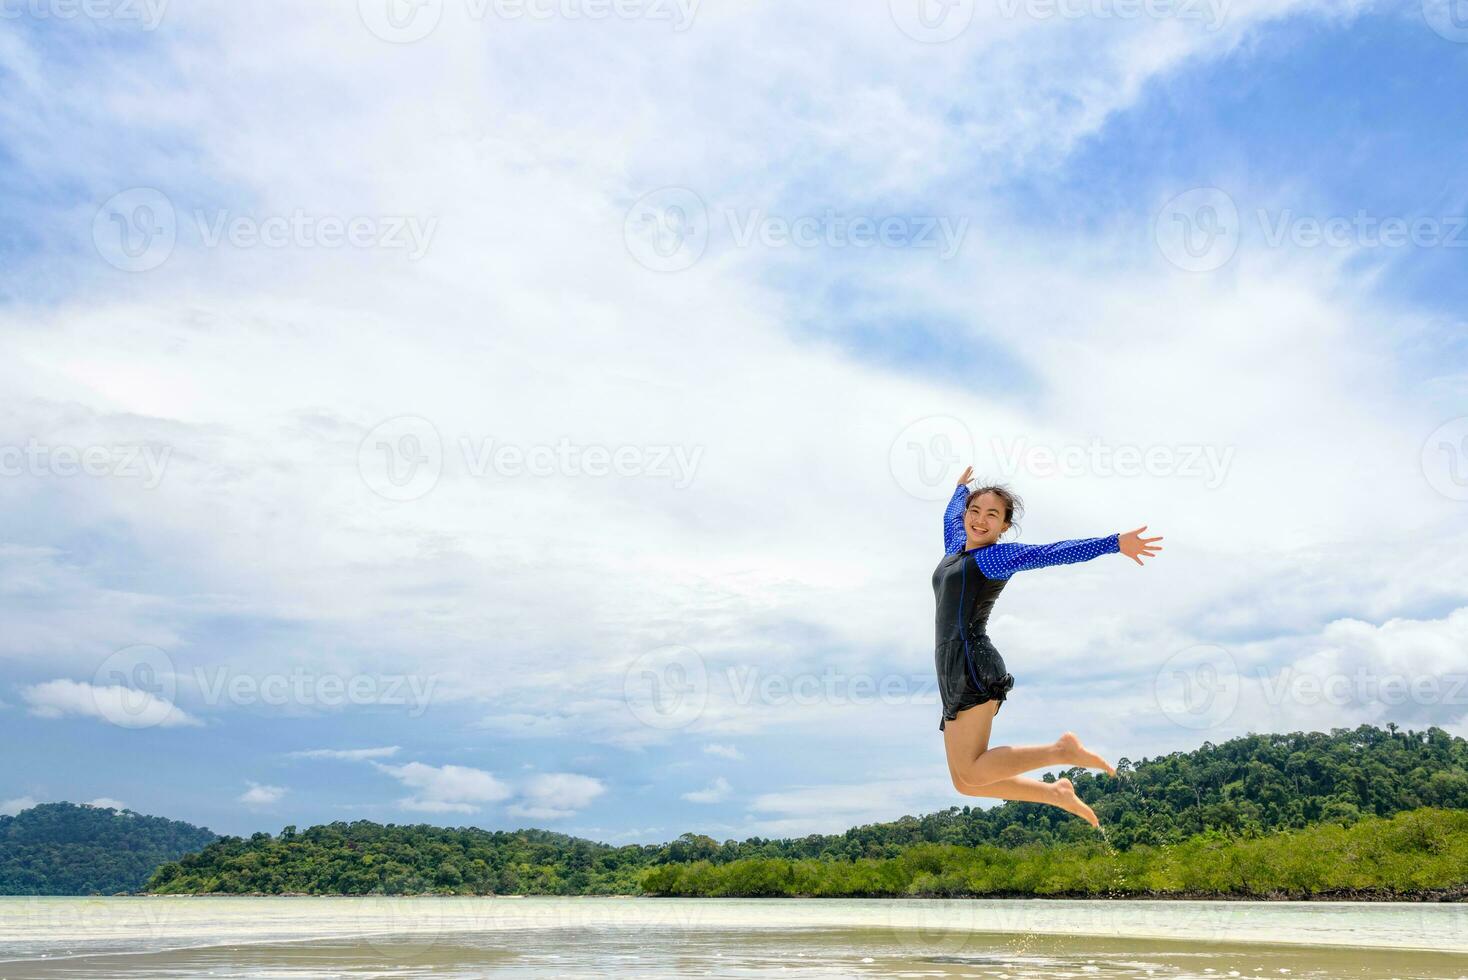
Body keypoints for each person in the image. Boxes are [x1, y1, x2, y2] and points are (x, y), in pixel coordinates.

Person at [934, 466, 1162, 827]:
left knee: (974, 772)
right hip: (951, 669)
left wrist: (1114, 542)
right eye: (974, 512)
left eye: (992, 515)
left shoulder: (996, 557)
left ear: (1005, 526)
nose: (980, 520)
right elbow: (950, 515)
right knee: (965, 782)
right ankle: (1056, 794)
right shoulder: (954, 547)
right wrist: (960, 489)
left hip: (972, 664)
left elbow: (1052, 551)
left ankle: (1061, 751)